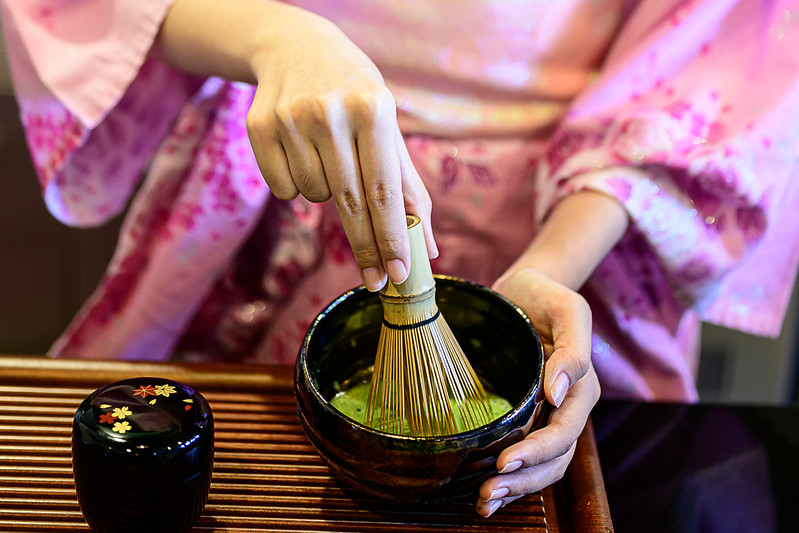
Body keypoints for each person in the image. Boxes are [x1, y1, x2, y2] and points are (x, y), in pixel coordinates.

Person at [2, 0, 799, 518]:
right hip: (293, 179)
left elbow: (718, 53)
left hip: (572, 223)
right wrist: (278, 36)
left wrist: (551, 269)